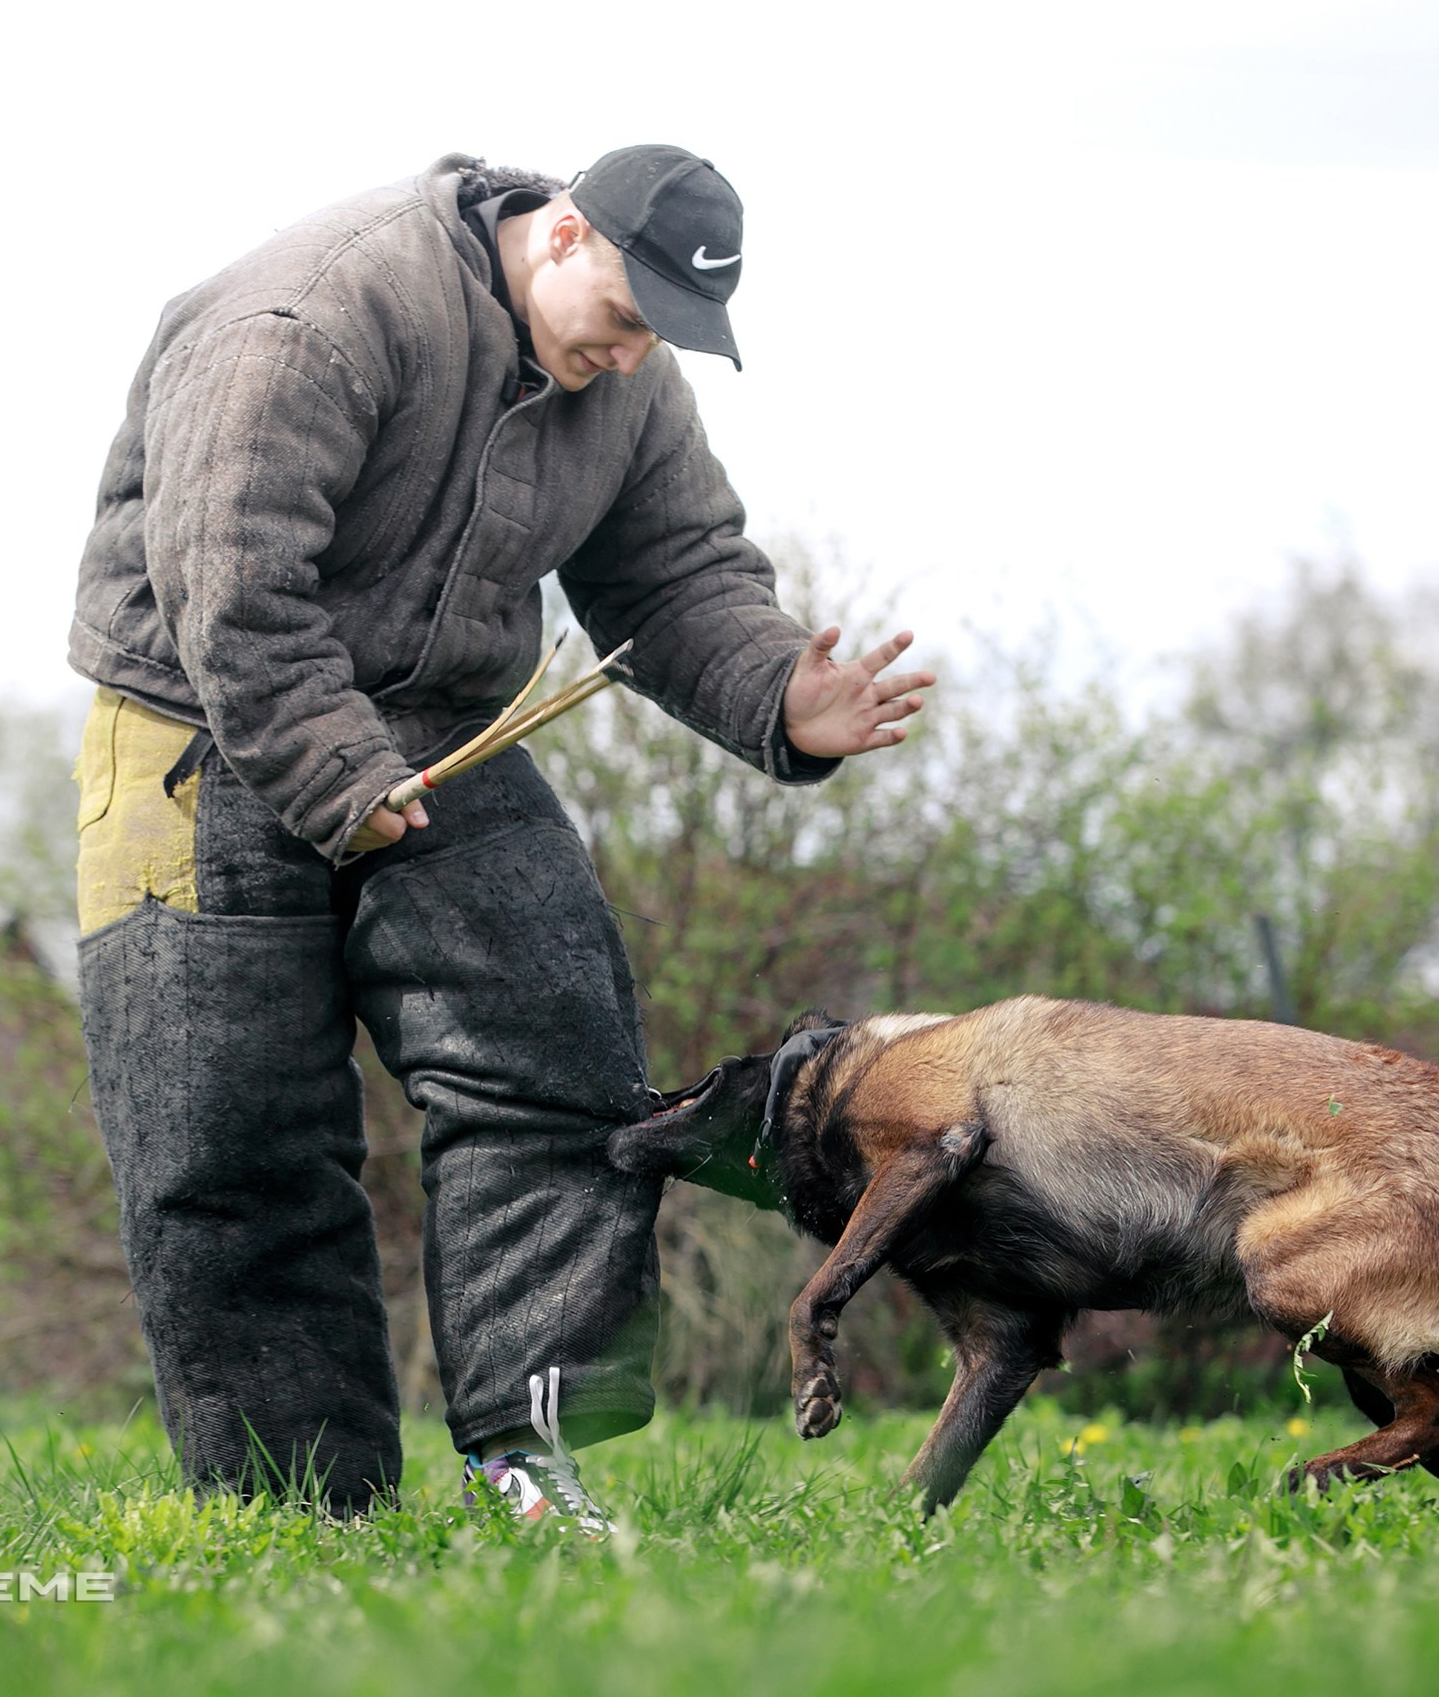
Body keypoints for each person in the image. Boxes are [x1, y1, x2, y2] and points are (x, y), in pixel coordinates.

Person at [65, 145, 932, 1530]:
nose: (637, 350)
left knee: (560, 1061)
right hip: (203, 731)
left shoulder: (625, 375)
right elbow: (229, 587)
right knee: (231, 1141)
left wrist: (782, 691)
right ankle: (301, 1510)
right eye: (631, 314)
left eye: (667, 333)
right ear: (565, 233)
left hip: (446, 724)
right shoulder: (315, 318)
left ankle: (525, 1454)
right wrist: (338, 770)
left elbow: (673, 574)